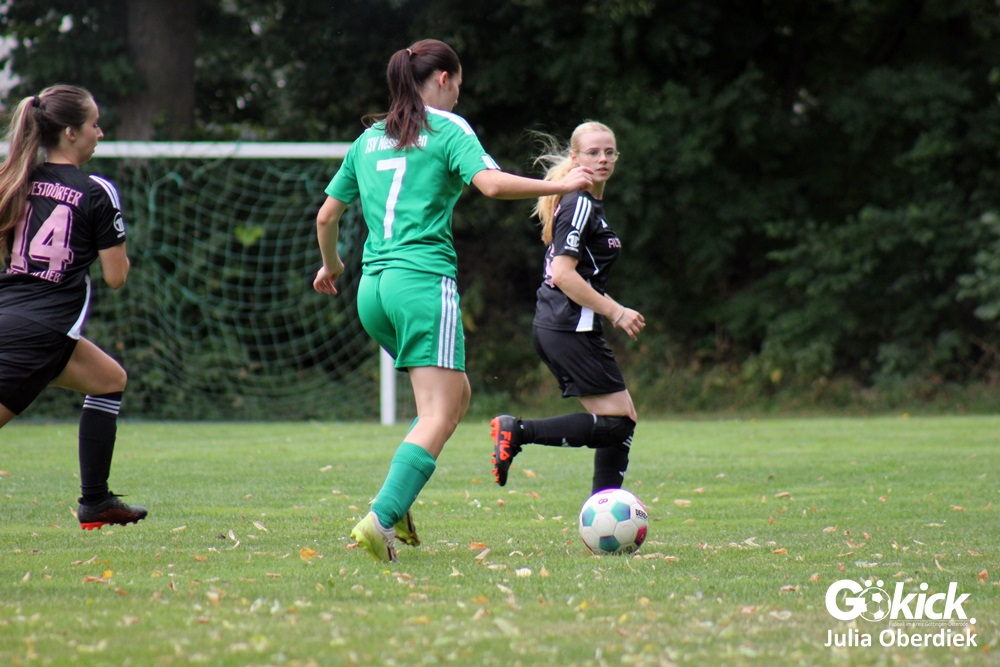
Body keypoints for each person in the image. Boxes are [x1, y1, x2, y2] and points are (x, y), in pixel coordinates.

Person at [313, 39, 594, 563]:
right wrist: (558, 185)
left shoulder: (369, 139)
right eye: (458, 84)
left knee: (455, 397)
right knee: (440, 413)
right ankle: (381, 518)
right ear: (442, 78)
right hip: (421, 284)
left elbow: (326, 216)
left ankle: (398, 502)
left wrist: (331, 265)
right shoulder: (447, 128)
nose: (459, 95)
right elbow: (491, 185)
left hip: (372, 292)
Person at [0, 84, 147, 530]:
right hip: (42, 330)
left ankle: (96, 502)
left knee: (108, 379)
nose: (99, 134)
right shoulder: (96, 190)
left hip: (15, 315)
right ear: (70, 132)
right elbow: (116, 277)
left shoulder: (18, 178)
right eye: (94, 125)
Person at [490, 121, 646, 495]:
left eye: (609, 152)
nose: (603, 158)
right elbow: (562, 274)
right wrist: (616, 311)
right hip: (567, 324)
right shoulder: (579, 202)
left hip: (568, 325)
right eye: (593, 152)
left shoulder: (587, 203)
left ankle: (603, 509)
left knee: (621, 420)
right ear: (575, 158)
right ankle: (518, 431)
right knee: (618, 422)